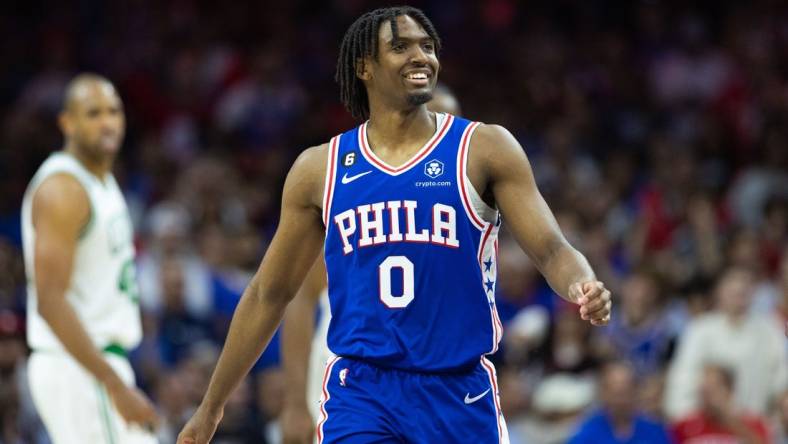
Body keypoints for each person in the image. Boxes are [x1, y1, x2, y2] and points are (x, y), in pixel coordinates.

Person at [177, 6, 612, 443]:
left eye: (427, 46)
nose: (421, 56)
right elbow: (269, 293)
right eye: (400, 46)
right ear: (363, 66)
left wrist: (582, 283)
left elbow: (552, 249)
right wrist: (211, 408)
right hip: (363, 392)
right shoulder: (320, 169)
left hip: (457, 389)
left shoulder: (485, 149)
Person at [279, 85, 462, 444]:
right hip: (351, 379)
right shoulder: (350, 196)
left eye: (445, 123)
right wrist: (294, 401)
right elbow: (299, 300)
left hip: (434, 382)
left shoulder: (465, 210)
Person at [21, 74, 159, 444]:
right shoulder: (63, 189)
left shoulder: (102, 180)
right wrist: (114, 384)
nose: (107, 122)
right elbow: (50, 301)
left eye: (114, 111)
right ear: (67, 122)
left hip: (96, 366)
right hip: (80, 368)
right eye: (93, 113)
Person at [664, 266, 787, 420]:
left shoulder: (770, 330)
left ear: (753, 292)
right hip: (709, 428)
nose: (739, 291)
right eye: (732, 287)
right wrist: (687, 423)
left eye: (745, 287)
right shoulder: (699, 329)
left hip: (756, 425)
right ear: (718, 291)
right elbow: (682, 381)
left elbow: (781, 381)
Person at [567, 361, 671, 444]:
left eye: (625, 392)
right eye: (615, 393)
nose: (620, 400)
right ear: (603, 394)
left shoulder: (654, 430)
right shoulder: (587, 431)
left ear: (635, 392)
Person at [671, 364, 771, 444]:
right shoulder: (684, 426)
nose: (708, 397)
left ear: (729, 390)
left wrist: (729, 420)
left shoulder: (753, 424)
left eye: (713, 389)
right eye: (704, 390)